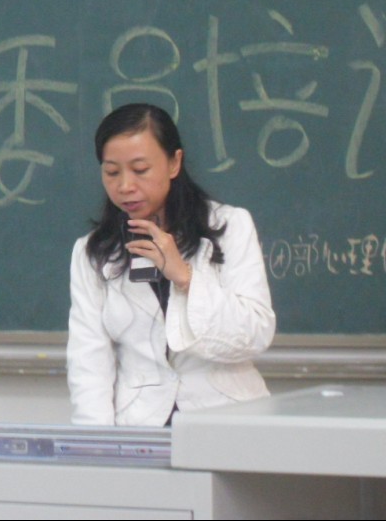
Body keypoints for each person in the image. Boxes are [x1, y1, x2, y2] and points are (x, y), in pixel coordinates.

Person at [67, 103, 275, 426]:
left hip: (227, 420)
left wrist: (186, 278)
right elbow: (88, 362)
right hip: (141, 426)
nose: (125, 186)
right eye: (112, 172)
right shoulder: (92, 253)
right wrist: (97, 445)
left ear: (174, 163)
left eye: (140, 169)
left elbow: (255, 335)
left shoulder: (231, 226)